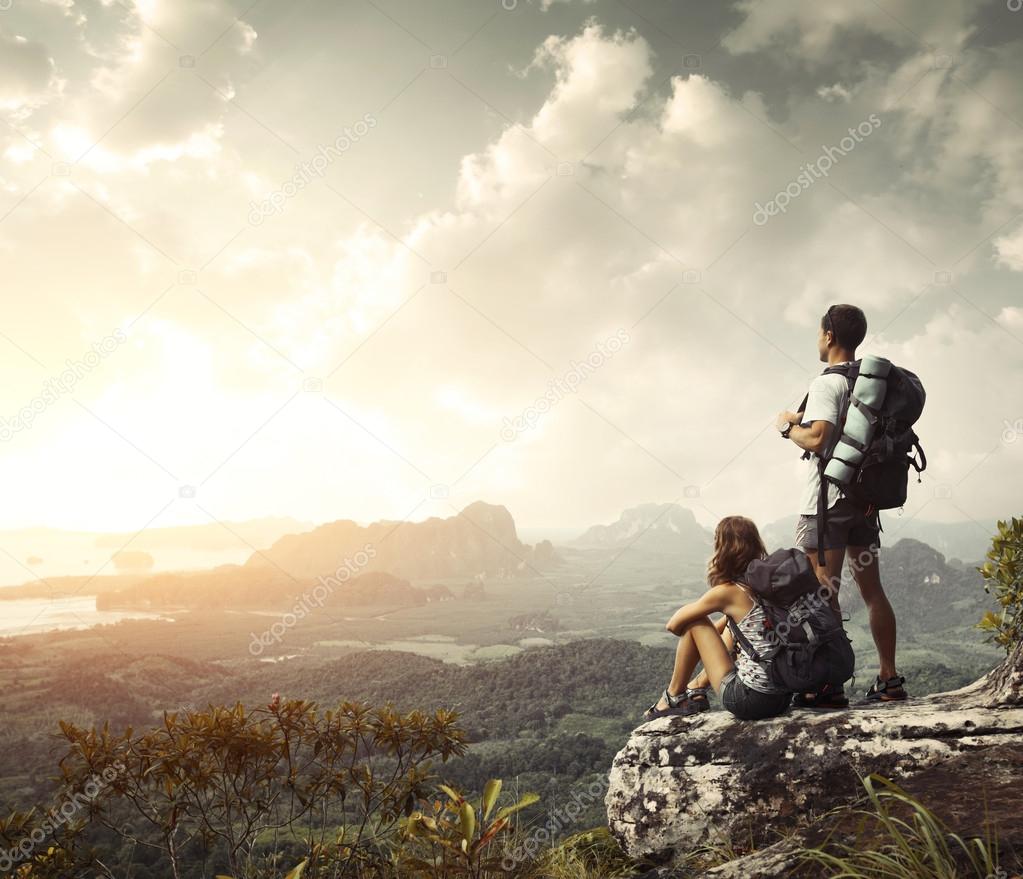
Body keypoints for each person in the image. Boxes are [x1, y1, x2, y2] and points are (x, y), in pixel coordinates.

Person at [775, 304, 906, 707]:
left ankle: (828, 684)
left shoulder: (826, 383)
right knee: (872, 591)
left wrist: (786, 426)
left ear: (830, 335)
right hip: (864, 503)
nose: (817, 338)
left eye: (819, 332)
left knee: (821, 592)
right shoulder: (871, 385)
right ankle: (889, 678)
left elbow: (818, 439)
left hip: (826, 505)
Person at [643, 516, 792, 722]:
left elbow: (674, 625)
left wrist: (699, 609)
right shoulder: (765, 585)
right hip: (782, 698)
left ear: (723, 548)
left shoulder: (728, 591)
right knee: (729, 626)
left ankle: (672, 697)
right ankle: (696, 689)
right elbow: (729, 629)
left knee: (696, 622)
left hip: (750, 701)